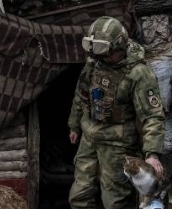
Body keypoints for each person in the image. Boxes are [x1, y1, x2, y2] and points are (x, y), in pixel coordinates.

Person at [68, 16, 166, 209]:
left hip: (117, 145)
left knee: (114, 202)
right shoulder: (94, 62)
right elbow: (81, 94)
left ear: (119, 48)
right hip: (89, 139)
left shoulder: (138, 74)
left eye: (106, 55)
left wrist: (152, 153)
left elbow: (152, 116)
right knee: (79, 196)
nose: (101, 59)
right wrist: (74, 124)